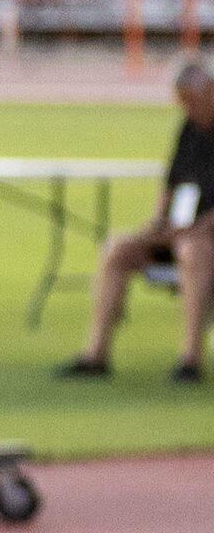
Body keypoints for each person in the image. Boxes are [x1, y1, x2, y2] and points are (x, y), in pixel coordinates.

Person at [59, 59, 214, 384]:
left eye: (190, 100)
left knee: (192, 250)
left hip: (202, 239)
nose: (185, 107)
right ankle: (96, 353)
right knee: (117, 248)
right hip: (178, 233)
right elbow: (171, 183)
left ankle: (190, 359)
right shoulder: (190, 129)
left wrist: (187, 231)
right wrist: (158, 222)